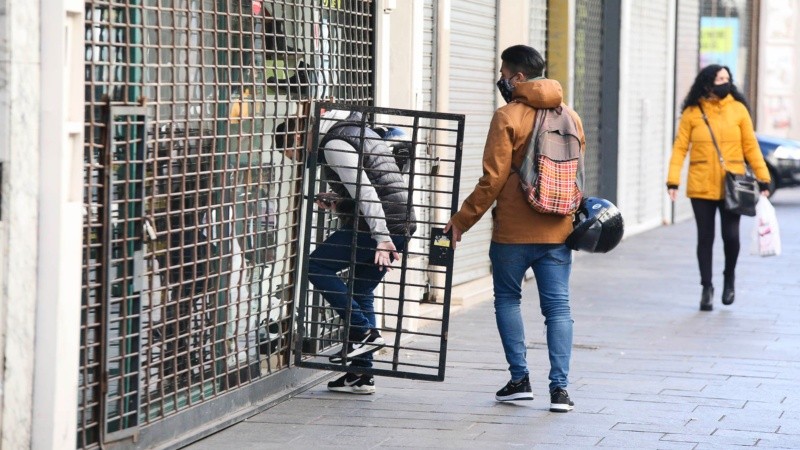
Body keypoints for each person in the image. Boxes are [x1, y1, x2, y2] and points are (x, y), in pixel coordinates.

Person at [444, 45, 585, 413]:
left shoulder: (507, 115)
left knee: (508, 300)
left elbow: (492, 180)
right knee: (558, 308)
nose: (502, 79)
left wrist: (461, 221)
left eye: (505, 73)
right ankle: (560, 391)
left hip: (512, 232)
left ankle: (520, 381)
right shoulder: (570, 115)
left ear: (519, 77)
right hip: (558, 229)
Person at [278, 111, 416, 394]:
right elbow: (375, 184)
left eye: (293, 153)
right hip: (401, 221)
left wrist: (381, 238)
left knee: (315, 266)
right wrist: (338, 204)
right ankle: (361, 375)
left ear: (297, 136)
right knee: (361, 290)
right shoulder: (354, 130)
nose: (301, 160)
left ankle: (364, 331)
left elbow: (366, 192)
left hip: (381, 227)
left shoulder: (334, 143)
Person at [666, 65, 770, 312]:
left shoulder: (738, 109)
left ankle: (729, 277)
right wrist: (673, 181)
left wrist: (763, 178)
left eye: (727, 79)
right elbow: (680, 148)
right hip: (700, 184)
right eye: (719, 79)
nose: (725, 82)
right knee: (705, 237)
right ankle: (706, 287)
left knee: (731, 236)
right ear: (707, 83)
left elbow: (751, 146)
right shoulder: (693, 112)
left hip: (732, 185)